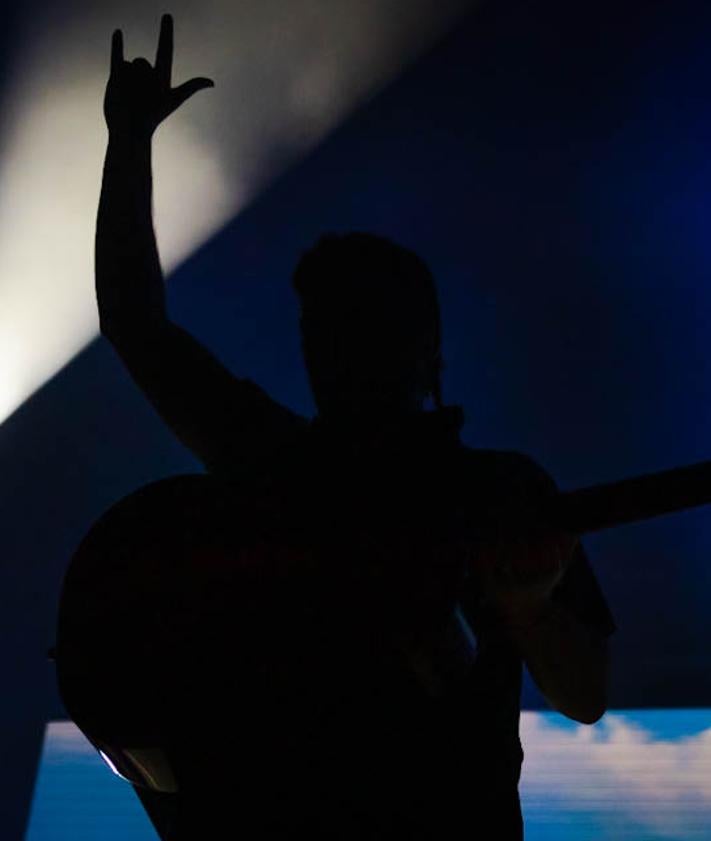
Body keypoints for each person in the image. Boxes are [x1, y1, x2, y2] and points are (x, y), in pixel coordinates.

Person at [95, 14, 616, 840]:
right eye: (325, 333)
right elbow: (136, 326)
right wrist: (127, 139)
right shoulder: (485, 489)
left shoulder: (483, 489)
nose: (336, 354)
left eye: (360, 328)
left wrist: (527, 608)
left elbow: (584, 691)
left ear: (422, 347)